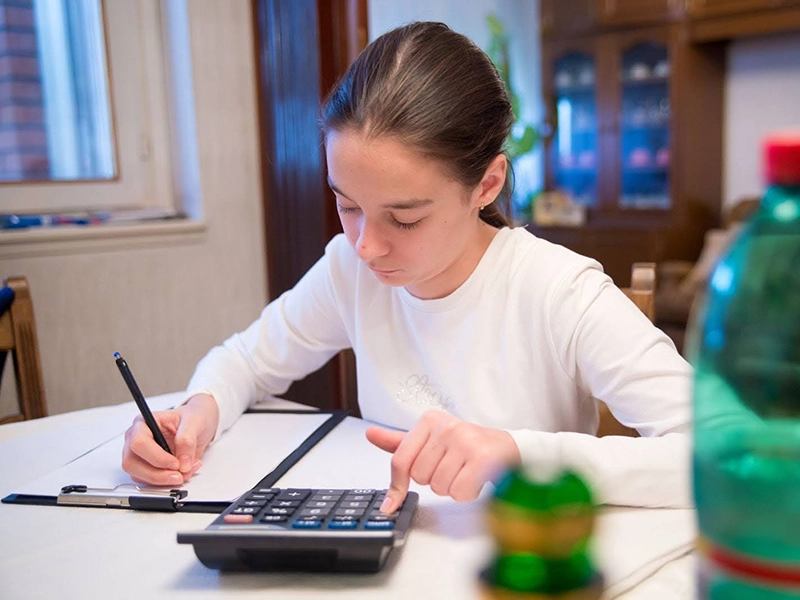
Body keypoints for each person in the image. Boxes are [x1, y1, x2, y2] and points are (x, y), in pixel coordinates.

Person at [122, 22, 692, 513]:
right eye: (347, 205)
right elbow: (246, 360)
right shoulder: (349, 268)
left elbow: (720, 451)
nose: (366, 246)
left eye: (406, 218)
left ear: (486, 185)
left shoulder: (558, 291)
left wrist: (517, 452)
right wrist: (198, 413)